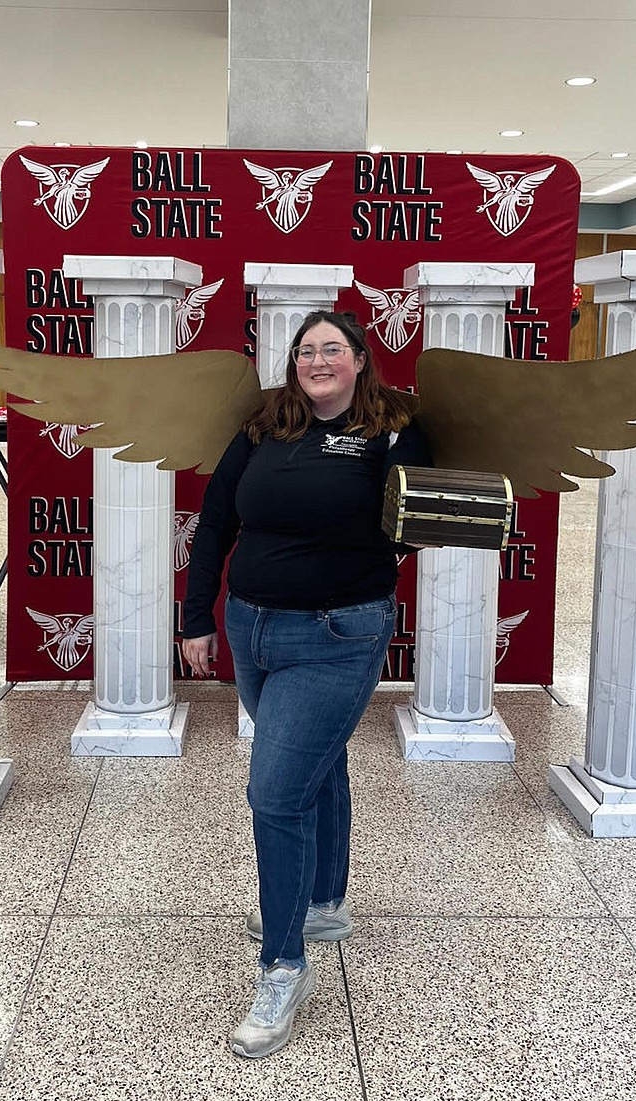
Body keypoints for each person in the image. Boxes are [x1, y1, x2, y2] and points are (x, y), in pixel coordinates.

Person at [180, 310, 431, 1060]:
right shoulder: (265, 426)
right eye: (305, 349)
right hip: (251, 630)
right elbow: (216, 520)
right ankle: (322, 903)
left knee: (275, 793)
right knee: (314, 766)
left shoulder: (393, 433)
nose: (317, 359)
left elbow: (415, 520)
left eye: (332, 349)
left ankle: (285, 966)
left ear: (359, 360)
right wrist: (197, 618)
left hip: (336, 636)